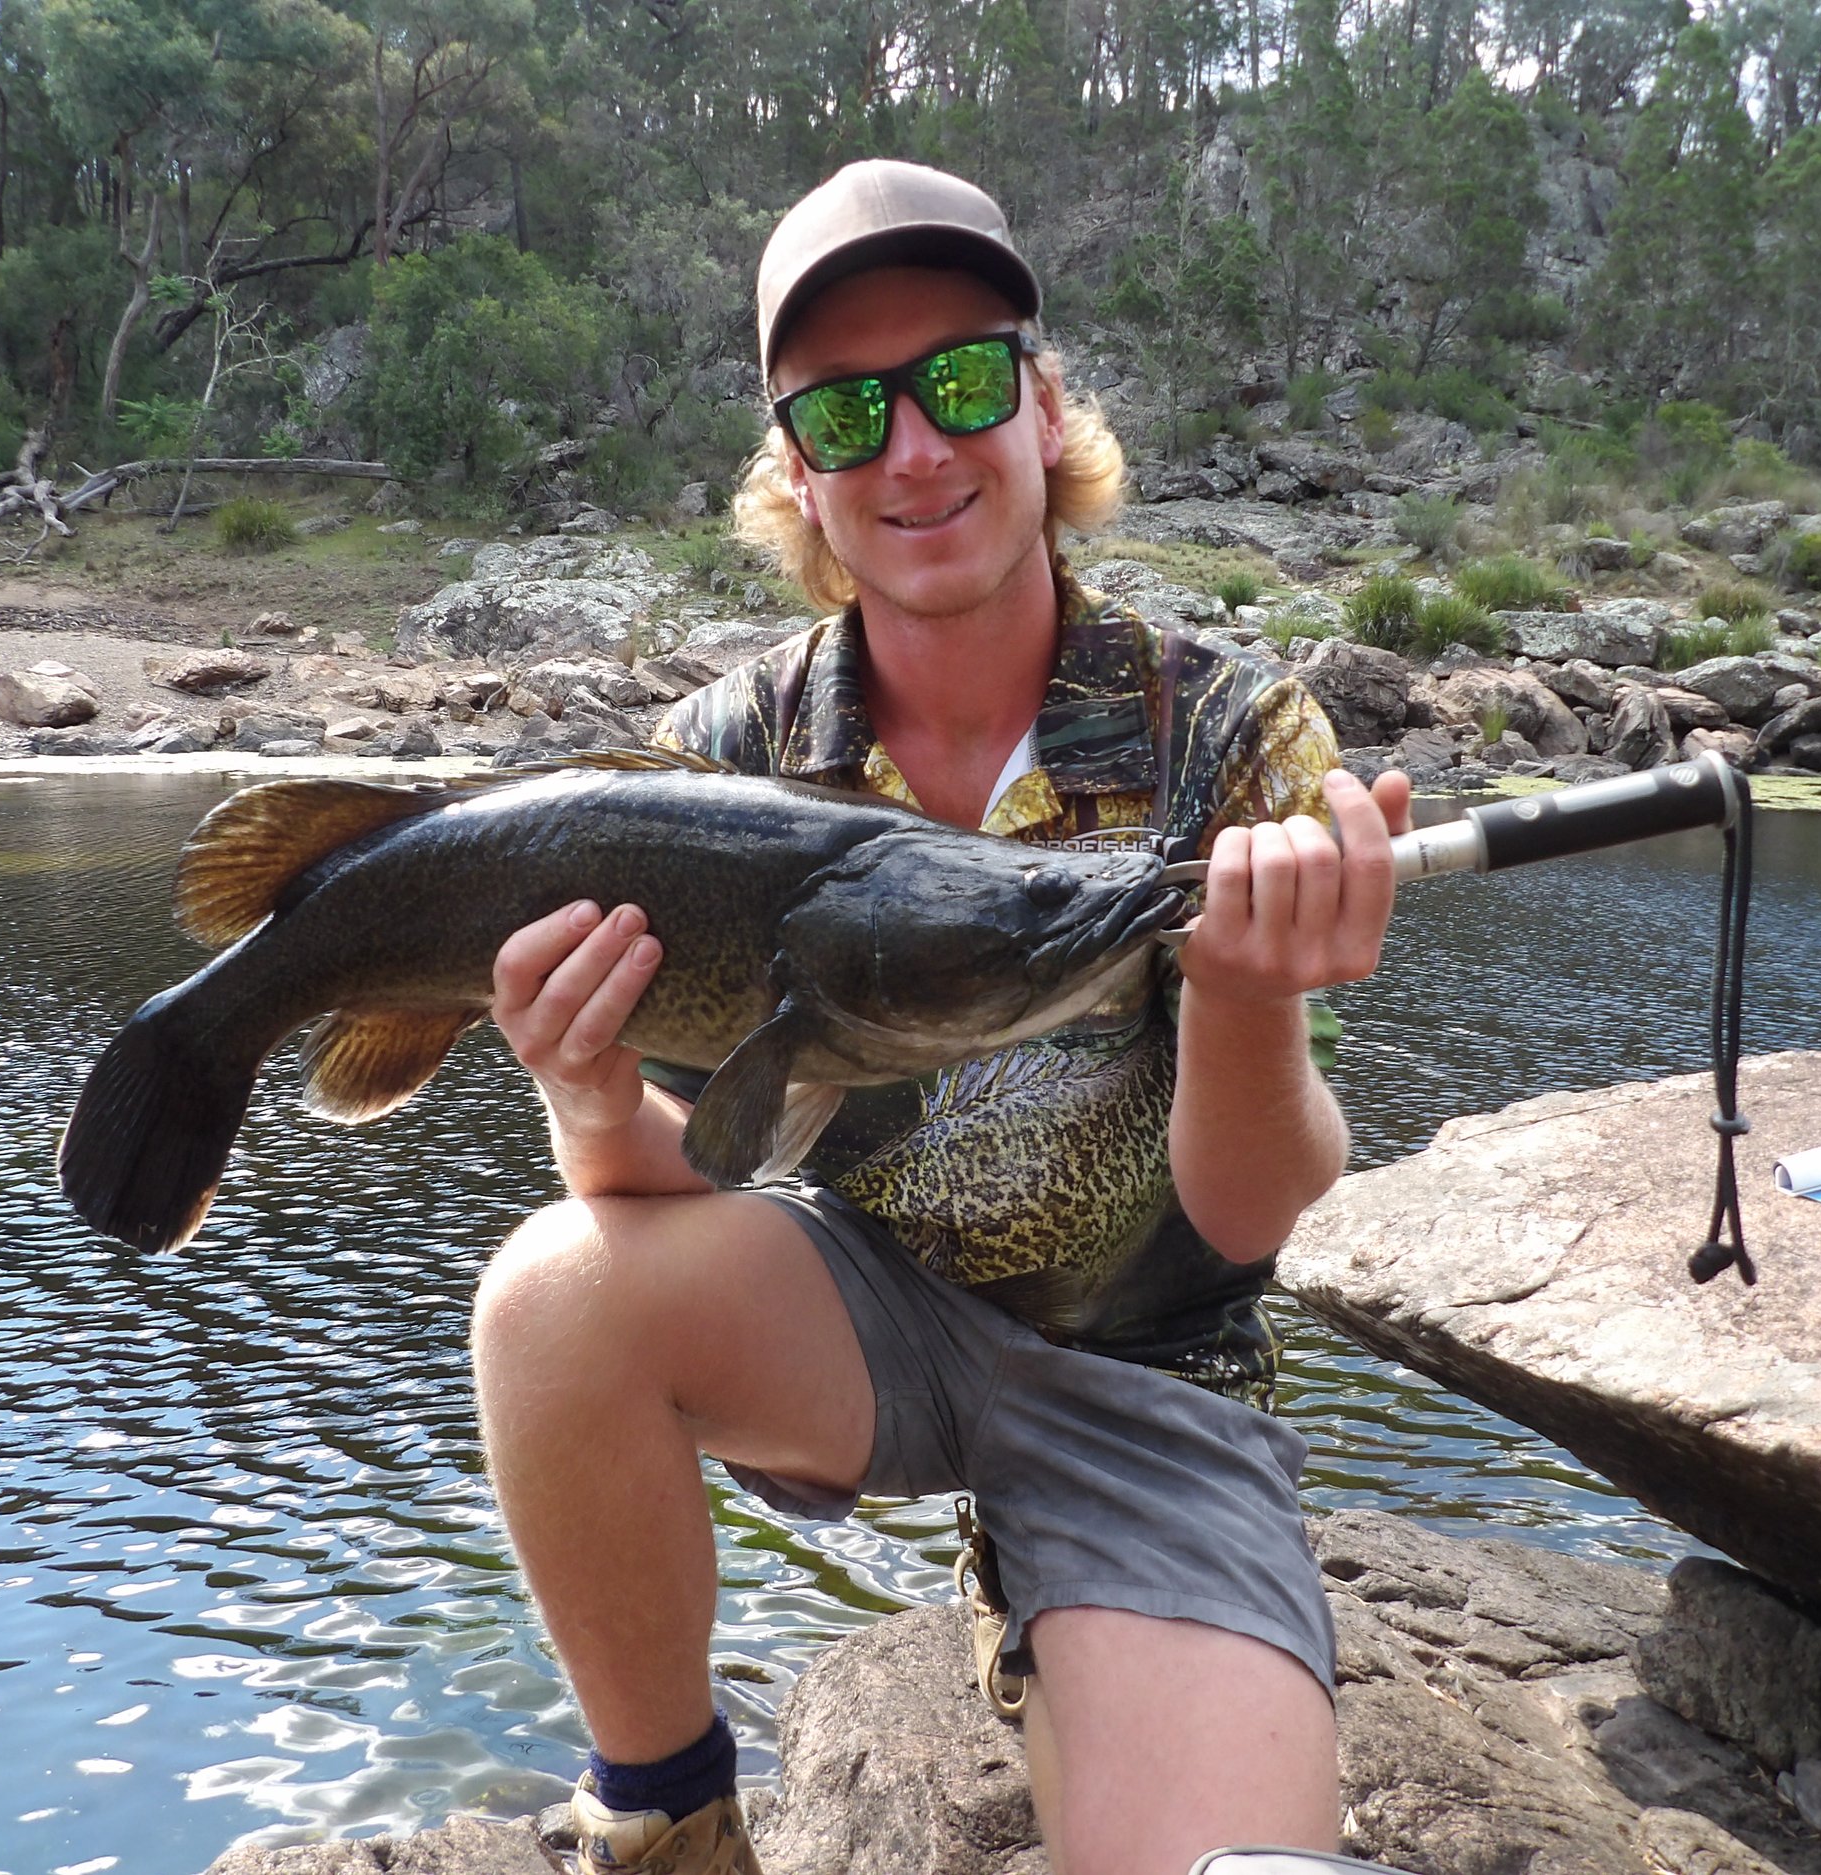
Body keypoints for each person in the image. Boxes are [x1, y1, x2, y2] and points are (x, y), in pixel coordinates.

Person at [468, 159, 1413, 1875]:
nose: (914, 449)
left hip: (1155, 1374)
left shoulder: (1236, 740)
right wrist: (593, 1098)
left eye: (965, 382)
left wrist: (1253, 1005)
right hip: (866, 1317)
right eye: (844, 416)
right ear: (801, 483)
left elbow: (1258, 1215)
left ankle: (1054, 1599)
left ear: (1046, 414)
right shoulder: (716, 767)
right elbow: (697, 1175)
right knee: (549, 1295)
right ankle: (668, 1819)